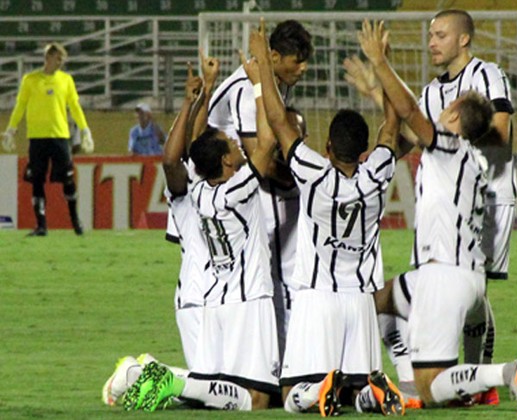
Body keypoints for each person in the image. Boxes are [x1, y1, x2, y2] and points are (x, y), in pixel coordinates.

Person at [358, 19, 517, 414]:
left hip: (446, 272)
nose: (431, 42)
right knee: (377, 302)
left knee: (434, 388)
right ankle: (409, 382)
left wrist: (380, 62)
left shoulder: (451, 144)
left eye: (440, 34)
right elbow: (408, 122)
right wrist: (377, 92)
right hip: (454, 269)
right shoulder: (461, 153)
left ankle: (500, 374)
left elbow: (410, 113)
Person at [248, 19, 406, 417]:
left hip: (317, 297)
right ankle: (375, 394)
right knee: (357, 389)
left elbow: (279, 119)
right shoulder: (379, 171)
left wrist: (263, 65)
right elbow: (393, 122)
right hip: (360, 300)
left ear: (329, 145)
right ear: (365, 147)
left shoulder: (314, 174)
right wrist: (381, 62)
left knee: (291, 396)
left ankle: (319, 389)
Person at [102, 52, 220, 407]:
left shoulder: (224, 179)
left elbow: (198, 137)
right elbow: (173, 157)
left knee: (224, 387)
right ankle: (137, 374)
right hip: (198, 293)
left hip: (228, 294)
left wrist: (208, 90)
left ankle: (148, 373)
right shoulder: (183, 184)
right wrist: (190, 101)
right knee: (210, 390)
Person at [206, 19, 313, 362]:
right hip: (221, 193)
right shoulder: (245, 88)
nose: (303, 67)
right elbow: (261, 160)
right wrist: (305, 177)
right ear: (275, 56)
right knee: (276, 271)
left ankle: (267, 362)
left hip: (235, 187)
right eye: (297, 59)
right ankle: (284, 366)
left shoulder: (271, 80)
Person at [2, 42, 94, 236]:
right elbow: (20, 106)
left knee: (68, 180)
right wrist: (11, 129)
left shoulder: (66, 80)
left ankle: (76, 222)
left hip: (60, 136)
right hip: (37, 137)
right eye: (58, 58)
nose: (60, 62)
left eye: (62, 59)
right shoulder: (30, 80)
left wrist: (85, 130)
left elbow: (75, 107)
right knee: (37, 180)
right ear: (48, 57)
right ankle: (41, 226)